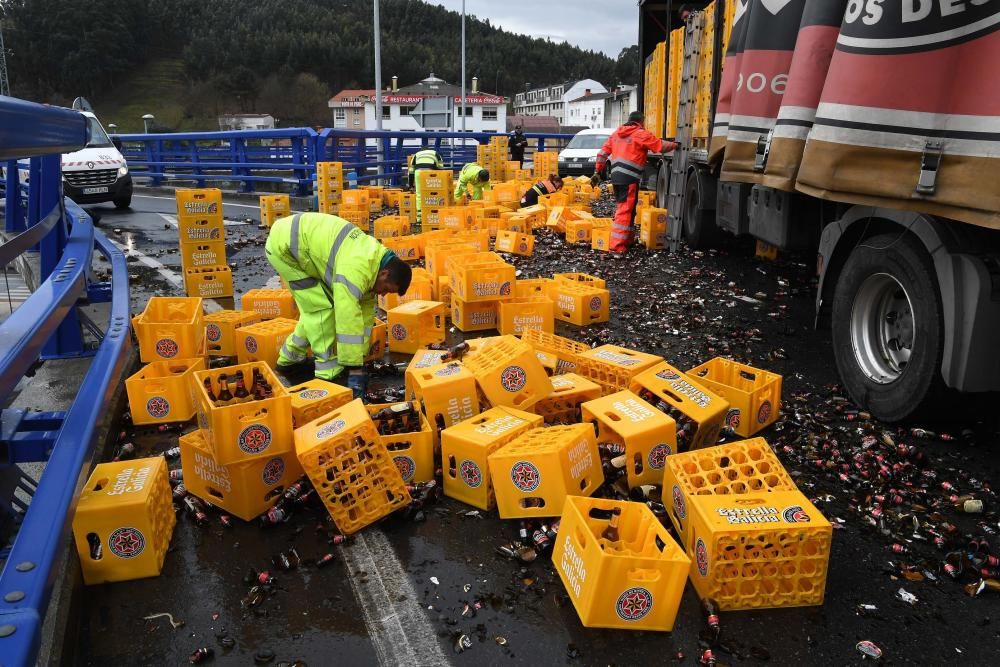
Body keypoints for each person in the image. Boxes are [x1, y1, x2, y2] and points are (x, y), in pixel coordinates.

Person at [265, 212, 412, 397]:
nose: (382, 294)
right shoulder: (357, 269)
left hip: (302, 246)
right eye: (386, 289)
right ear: (384, 274)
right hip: (286, 249)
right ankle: (328, 377)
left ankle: (289, 360)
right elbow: (347, 315)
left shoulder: (373, 266)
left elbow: (364, 318)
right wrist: (354, 368)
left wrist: (360, 357)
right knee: (321, 309)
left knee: (317, 308)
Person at [593, 111, 678, 254]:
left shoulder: (616, 134)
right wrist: (676, 145)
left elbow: (602, 154)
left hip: (616, 177)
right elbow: (659, 146)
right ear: (641, 121)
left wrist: (597, 171)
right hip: (629, 178)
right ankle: (617, 246)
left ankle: (628, 240)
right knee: (625, 211)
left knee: (629, 209)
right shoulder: (640, 133)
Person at [409, 148, 444, 222]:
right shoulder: (435, 153)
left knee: (419, 194)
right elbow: (441, 168)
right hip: (430, 171)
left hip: (418, 172)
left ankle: (419, 217)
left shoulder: (416, 154)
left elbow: (411, 171)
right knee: (433, 193)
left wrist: (411, 185)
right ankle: (434, 214)